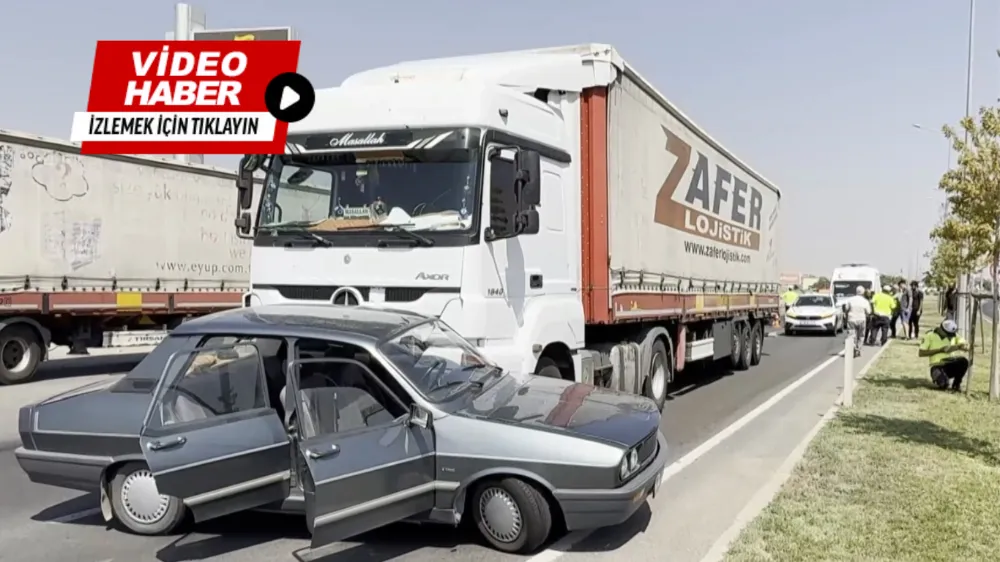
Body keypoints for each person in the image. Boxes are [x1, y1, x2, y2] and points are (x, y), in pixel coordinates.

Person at [918, 319, 969, 391]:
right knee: (944, 384)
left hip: (950, 363)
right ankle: (942, 381)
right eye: (948, 335)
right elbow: (921, 353)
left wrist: (964, 347)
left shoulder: (954, 334)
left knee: (963, 361)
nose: (950, 337)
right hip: (937, 366)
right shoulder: (929, 335)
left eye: (951, 335)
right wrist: (939, 350)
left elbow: (963, 344)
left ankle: (956, 384)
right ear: (942, 330)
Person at [844, 285, 871, 357]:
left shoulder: (850, 300)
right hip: (861, 319)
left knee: (851, 335)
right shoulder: (865, 301)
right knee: (861, 335)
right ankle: (858, 349)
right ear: (863, 292)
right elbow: (868, 312)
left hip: (851, 319)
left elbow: (846, 309)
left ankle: (852, 347)